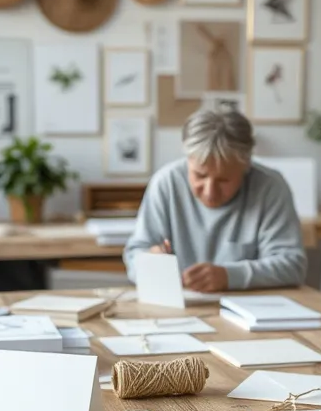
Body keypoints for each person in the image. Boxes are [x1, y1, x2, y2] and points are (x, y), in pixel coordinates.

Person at [123, 110, 307, 292]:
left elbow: (292, 266)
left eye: (224, 179)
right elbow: (134, 255)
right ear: (188, 160)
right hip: (179, 308)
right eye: (200, 175)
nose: (210, 192)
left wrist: (230, 276)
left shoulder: (270, 187)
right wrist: (149, 261)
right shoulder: (166, 183)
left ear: (246, 166)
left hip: (252, 309)